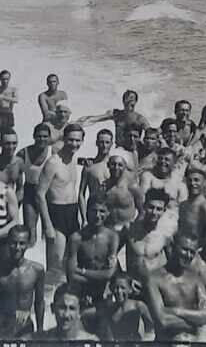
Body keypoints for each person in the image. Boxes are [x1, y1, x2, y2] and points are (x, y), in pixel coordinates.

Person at [145, 232, 206, 341]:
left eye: (192, 252)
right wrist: (198, 321)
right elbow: (163, 321)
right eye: (184, 249)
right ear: (172, 247)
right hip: (166, 345)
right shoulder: (154, 279)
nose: (188, 255)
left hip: (194, 344)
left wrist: (177, 311)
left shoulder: (195, 278)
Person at [37, 124, 85, 276]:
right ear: (64, 139)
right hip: (56, 213)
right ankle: (49, 296)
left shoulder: (73, 160)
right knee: (55, 264)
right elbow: (39, 194)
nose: (74, 144)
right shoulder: (53, 163)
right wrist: (47, 225)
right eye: (71, 140)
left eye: (78, 140)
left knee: (71, 260)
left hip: (72, 212)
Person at [0, 226, 45, 339]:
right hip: (1, 324)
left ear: (28, 244)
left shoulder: (37, 270)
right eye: (14, 243)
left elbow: (39, 302)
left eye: (22, 243)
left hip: (24, 326)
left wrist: (40, 329)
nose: (17, 247)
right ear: (8, 243)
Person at [64, 194, 120, 304]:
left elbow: (110, 273)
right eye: (94, 211)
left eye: (102, 211)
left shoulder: (112, 237)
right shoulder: (76, 238)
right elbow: (71, 275)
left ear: (108, 213)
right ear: (87, 211)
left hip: (102, 290)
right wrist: (99, 277)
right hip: (81, 290)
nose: (97, 215)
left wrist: (82, 271)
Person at [83, 271, 154, 341]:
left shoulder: (138, 306)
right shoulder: (108, 307)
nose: (119, 291)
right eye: (116, 287)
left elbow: (150, 327)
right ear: (112, 289)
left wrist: (145, 341)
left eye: (123, 288)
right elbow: (85, 314)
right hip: (115, 346)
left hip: (133, 345)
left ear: (130, 290)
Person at [76, 90, 149, 152]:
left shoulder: (140, 119)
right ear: (123, 101)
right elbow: (95, 119)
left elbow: (152, 134)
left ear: (136, 102)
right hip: (120, 150)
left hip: (135, 151)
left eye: (132, 99)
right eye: (128, 99)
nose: (130, 101)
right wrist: (78, 123)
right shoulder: (117, 114)